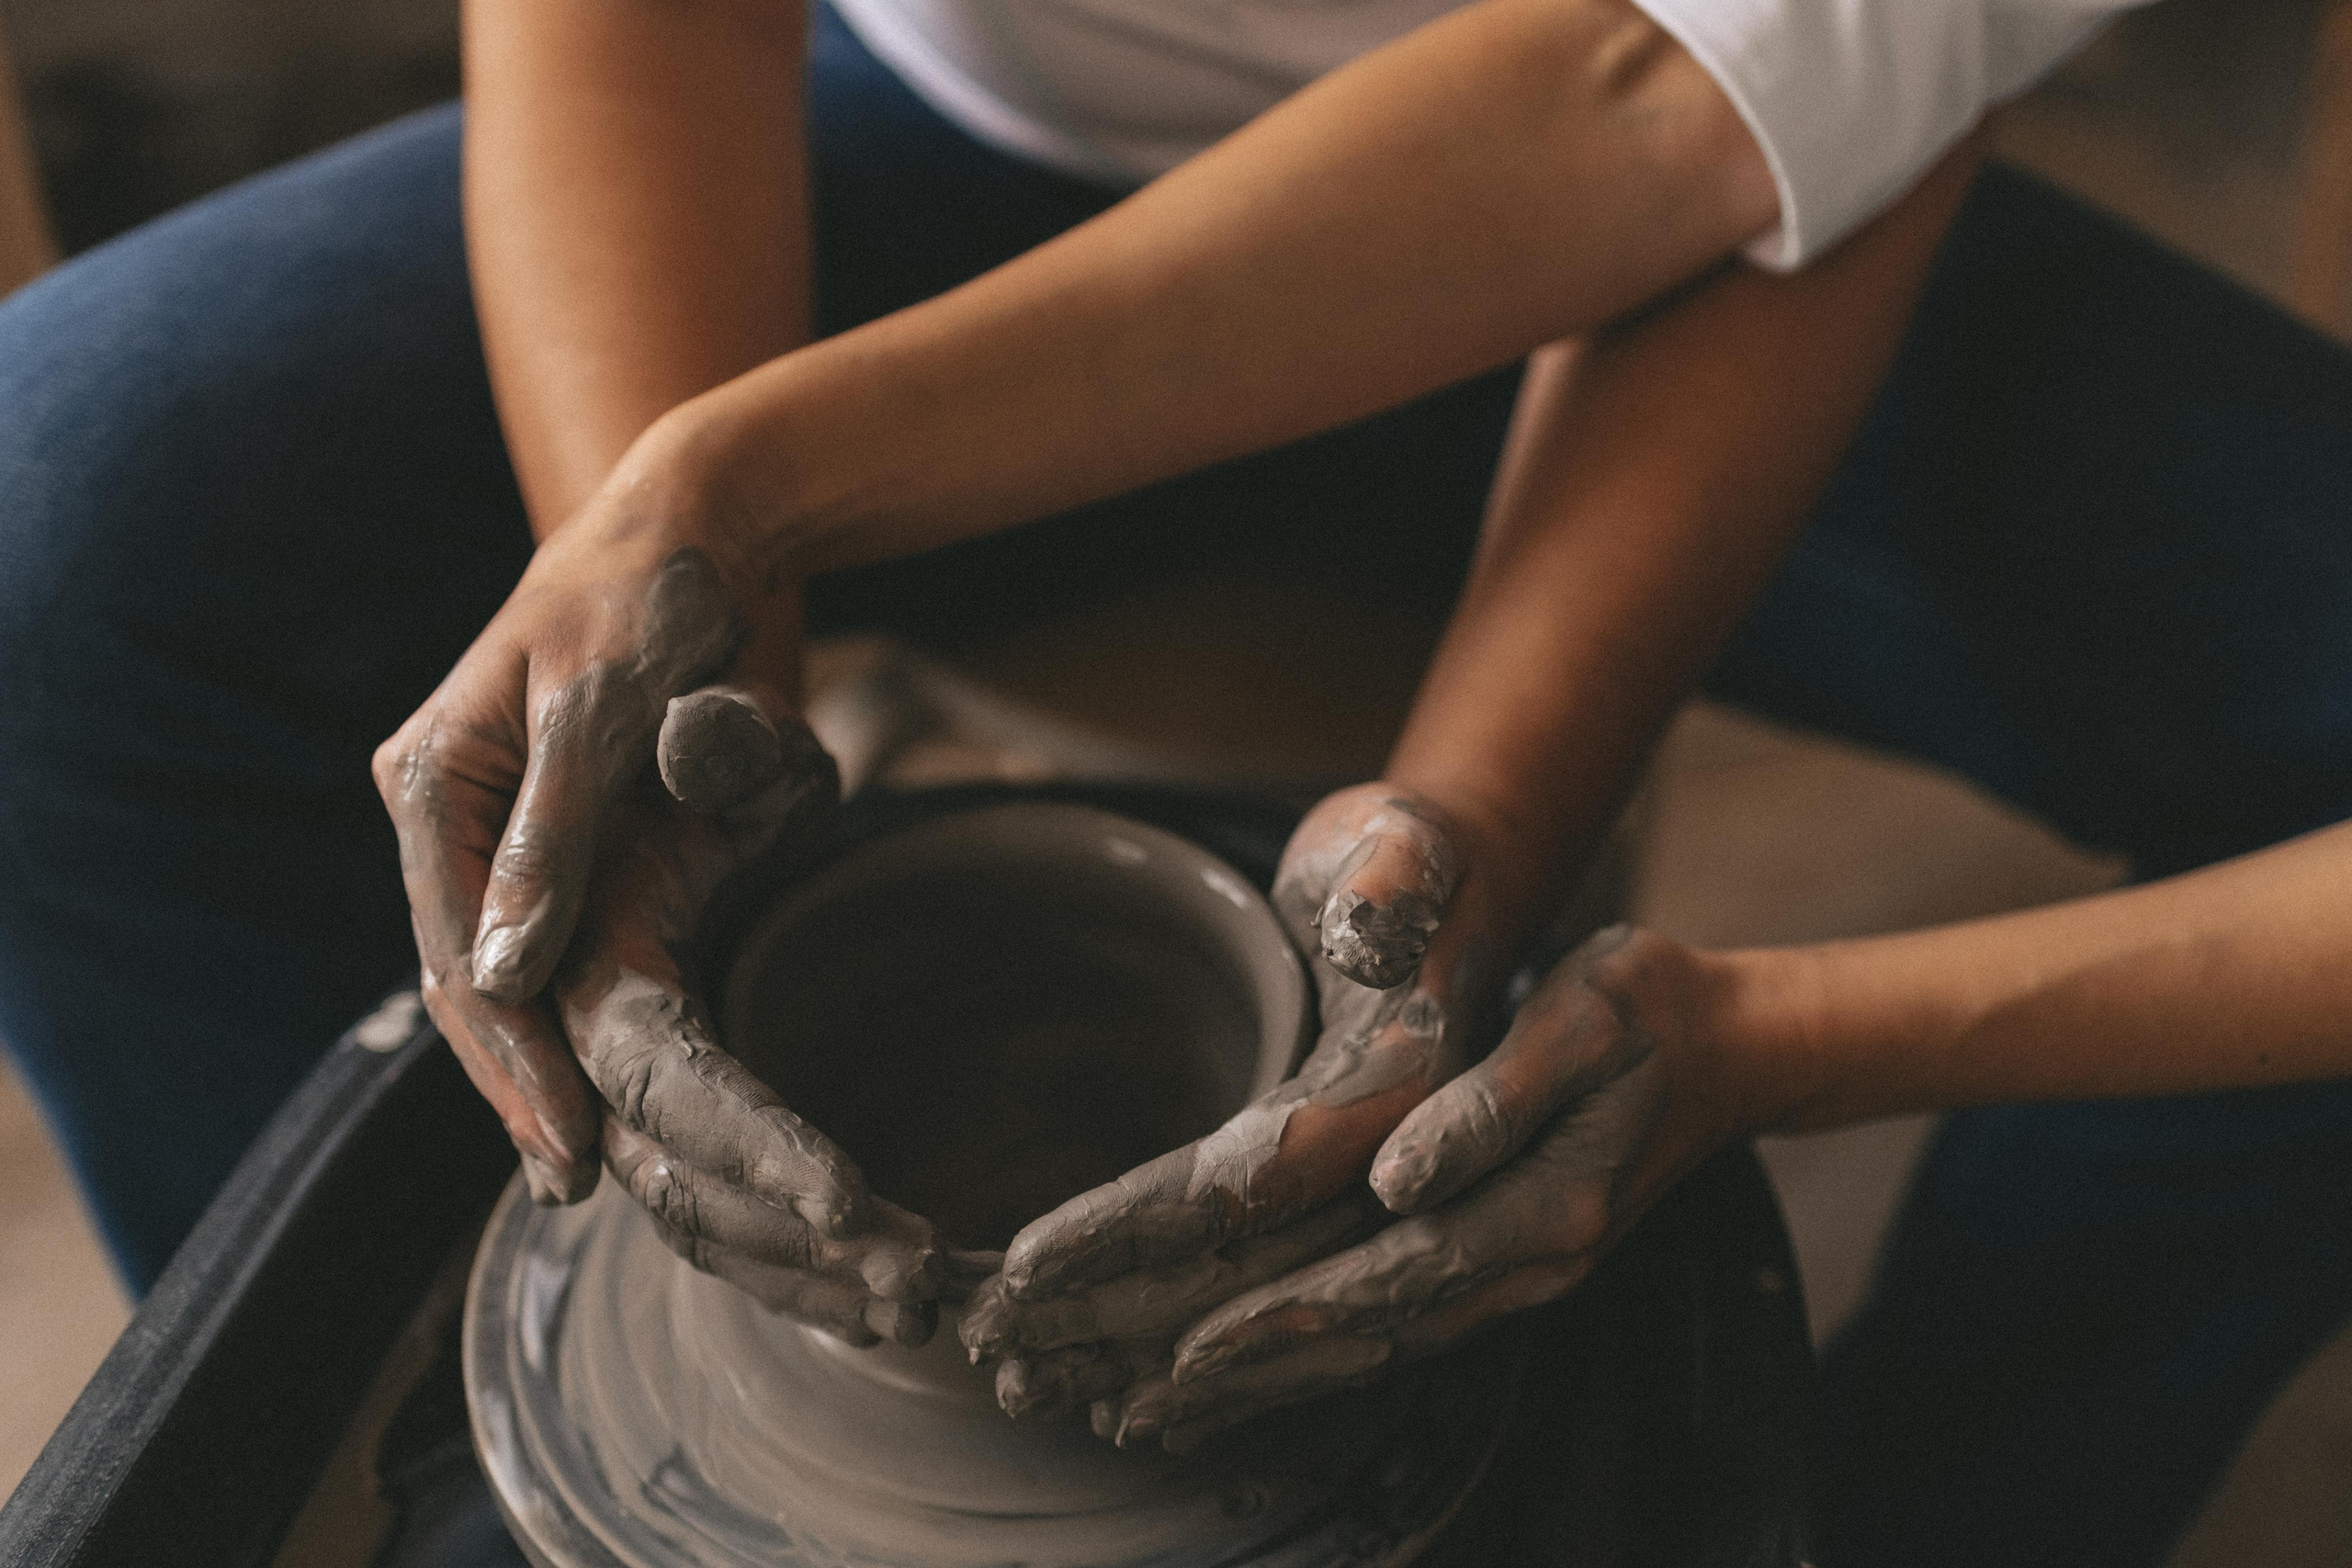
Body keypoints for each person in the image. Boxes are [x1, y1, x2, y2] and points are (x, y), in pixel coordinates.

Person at [7, 0, 2343, 1564]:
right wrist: (699, 627)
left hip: (1693, 229)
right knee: (55, 548)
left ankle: (1910, 1496)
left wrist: (1479, 826)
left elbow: (1709, 106)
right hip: (977, 147)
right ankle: (482, 1461)